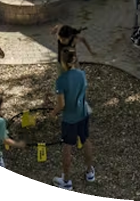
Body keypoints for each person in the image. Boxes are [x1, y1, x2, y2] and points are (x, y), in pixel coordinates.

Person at [50, 47, 95, 192]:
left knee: (67, 147)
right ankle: (90, 172)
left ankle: (67, 180)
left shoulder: (61, 80)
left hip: (69, 119)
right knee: (85, 140)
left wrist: (53, 113)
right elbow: (83, 93)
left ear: (62, 62)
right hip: (83, 114)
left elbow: (61, 104)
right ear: (74, 59)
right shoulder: (82, 74)